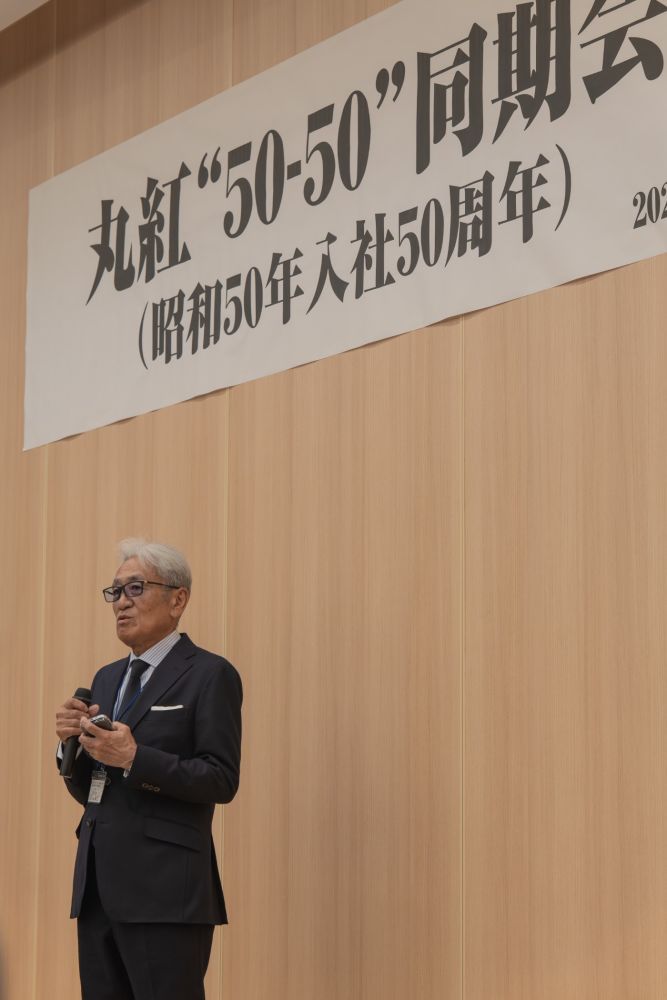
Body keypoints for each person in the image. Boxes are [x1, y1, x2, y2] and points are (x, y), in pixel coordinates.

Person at [55, 539, 242, 1000]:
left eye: (135, 588)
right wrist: (68, 748)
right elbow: (98, 789)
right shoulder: (106, 678)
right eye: (115, 591)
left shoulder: (209, 674)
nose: (121, 602)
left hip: (166, 894)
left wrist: (135, 758)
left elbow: (220, 779)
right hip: (97, 889)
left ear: (178, 599)